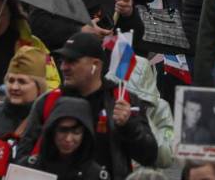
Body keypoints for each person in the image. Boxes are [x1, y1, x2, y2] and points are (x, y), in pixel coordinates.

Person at [15, 32, 158, 179]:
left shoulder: (122, 100)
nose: (63, 67)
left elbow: (149, 156)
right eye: (62, 61)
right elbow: (22, 159)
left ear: (95, 65)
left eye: (71, 61)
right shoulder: (48, 101)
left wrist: (128, 126)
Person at [13, 96, 108, 179]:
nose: (68, 139)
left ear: (85, 135)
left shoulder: (96, 176)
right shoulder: (28, 167)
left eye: (76, 132)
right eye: (63, 131)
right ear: (52, 131)